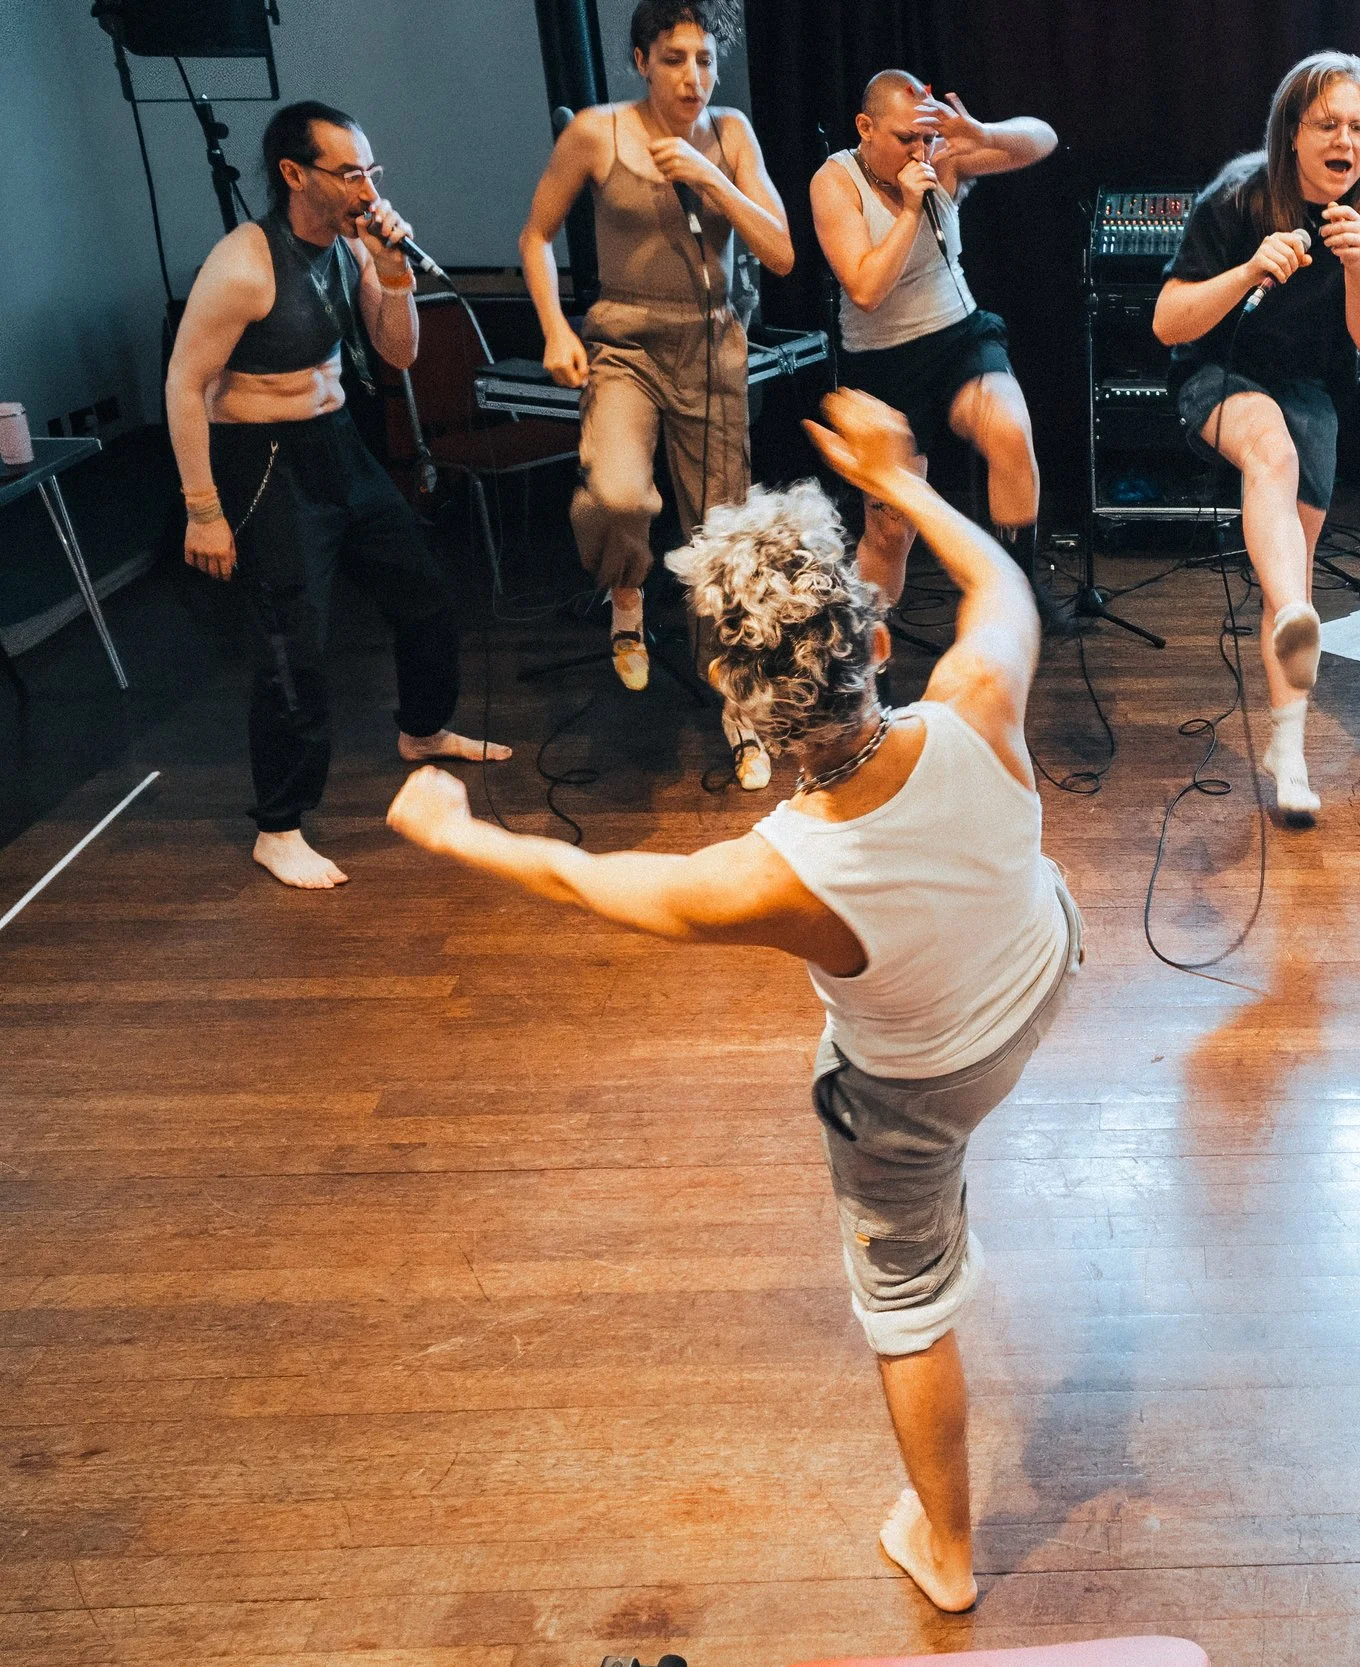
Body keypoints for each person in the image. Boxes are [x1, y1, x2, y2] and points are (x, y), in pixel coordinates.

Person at [386, 389, 1079, 1616]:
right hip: (1037, 969)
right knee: (980, 928)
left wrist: (457, 831)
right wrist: (900, 487)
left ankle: (950, 1548)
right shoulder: (979, 694)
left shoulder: (766, 878)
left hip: (925, 1084)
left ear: (730, 691)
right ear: (874, 640)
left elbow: (586, 876)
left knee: (906, 1305)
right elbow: (1006, 587)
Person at [164, 100, 509, 891]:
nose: (365, 187)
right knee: (296, 644)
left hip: (337, 443)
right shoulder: (243, 263)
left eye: (370, 171)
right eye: (349, 172)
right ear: (296, 175)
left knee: (423, 594)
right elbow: (183, 383)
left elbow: (400, 353)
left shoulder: (353, 248)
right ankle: (278, 826)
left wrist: (392, 270)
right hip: (264, 458)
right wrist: (203, 507)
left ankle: (422, 730)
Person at [519, 0, 795, 788]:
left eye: (705, 59)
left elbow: (777, 252)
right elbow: (535, 236)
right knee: (614, 495)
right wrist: (553, 330)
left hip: (711, 347)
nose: (694, 77)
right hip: (623, 346)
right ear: (641, 60)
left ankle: (740, 711)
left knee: (724, 539)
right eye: (675, 59)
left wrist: (712, 176)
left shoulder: (731, 133)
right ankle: (628, 591)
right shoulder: (596, 132)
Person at [1154, 51, 1360, 825]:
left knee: (1285, 584)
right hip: (1216, 377)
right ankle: (1298, 608)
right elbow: (1168, 322)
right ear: (1292, 132)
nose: (1346, 139)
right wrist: (1245, 273)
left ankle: (1287, 751)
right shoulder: (1237, 198)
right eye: (1329, 123)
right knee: (1274, 456)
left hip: (1309, 394)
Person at [812, 70, 1059, 612]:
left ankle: (1016, 595)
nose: (919, 151)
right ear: (866, 127)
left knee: (1011, 432)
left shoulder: (939, 158)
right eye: (906, 139)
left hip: (958, 336)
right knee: (891, 533)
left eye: (926, 138)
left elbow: (1044, 138)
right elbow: (866, 289)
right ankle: (871, 666)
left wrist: (980, 131)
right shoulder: (835, 181)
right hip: (882, 364)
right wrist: (906, 211)